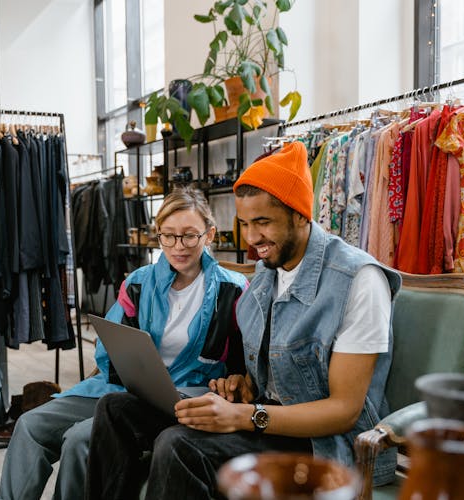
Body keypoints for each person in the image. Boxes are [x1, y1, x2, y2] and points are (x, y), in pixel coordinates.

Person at [85, 142, 402, 500]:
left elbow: (344, 411)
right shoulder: (266, 275)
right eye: (245, 224)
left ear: (300, 214)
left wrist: (245, 416)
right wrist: (242, 385)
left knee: (178, 445)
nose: (251, 239)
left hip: (326, 446)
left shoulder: (357, 280)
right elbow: (271, 374)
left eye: (263, 222)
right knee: (116, 409)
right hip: (265, 421)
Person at [0, 187, 248, 500]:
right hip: (120, 389)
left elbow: (242, 364)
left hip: (183, 400)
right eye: (167, 236)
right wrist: (125, 369)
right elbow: (112, 347)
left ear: (209, 235)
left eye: (189, 236)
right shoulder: (139, 283)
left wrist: (231, 381)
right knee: (29, 426)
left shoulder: (233, 291)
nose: (177, 246)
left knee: (79, 440)